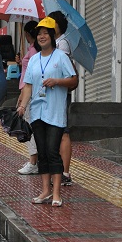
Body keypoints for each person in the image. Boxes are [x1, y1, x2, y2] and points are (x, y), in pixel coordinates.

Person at [18, 17, 78, 207]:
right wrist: (22, 106)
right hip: (37, 112)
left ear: (52, 36)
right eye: (39, 34)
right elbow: (28, 86)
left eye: (45, 33)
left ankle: (57, 193)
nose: (42, 36)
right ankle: (45, 191)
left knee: (52, 151)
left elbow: (74, 80)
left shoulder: (61, 57)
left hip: (55, 113)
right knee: (42, 152)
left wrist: (57, 81)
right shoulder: (34, 59)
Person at [50, 11, 74, 187]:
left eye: (52, 23)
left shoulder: (62, 44)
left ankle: (65, 172)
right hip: (54, 92)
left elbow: (61, 68)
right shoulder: (56, 43)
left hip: (61, 92)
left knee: (63, 132)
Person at [16, 21, 39, 175]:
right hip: (25, 91)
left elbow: (31, 76)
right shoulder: (31, 49)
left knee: (29, 127)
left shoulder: (35, 51)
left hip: (29, 93)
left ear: (28, 33)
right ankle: (34, 160)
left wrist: (24, 94)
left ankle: (33, 162)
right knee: (29, 126)